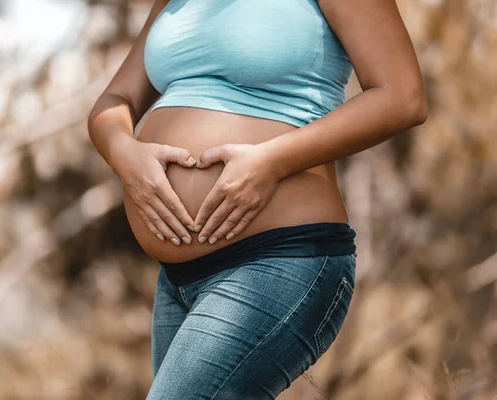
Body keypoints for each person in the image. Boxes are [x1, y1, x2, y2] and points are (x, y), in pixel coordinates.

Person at [87, 0, 427, 398]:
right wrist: (123, 153)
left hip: (280, 258)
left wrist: (273, 161)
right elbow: (115, 98)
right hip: (177, 281)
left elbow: (403, 97)